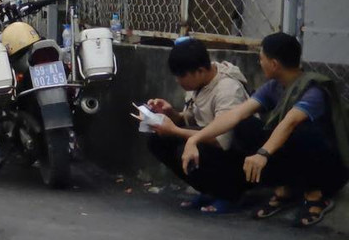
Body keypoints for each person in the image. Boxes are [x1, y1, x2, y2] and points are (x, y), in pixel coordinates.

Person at [163, 32, 349, 227]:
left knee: (301, 133)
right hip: (296, 156)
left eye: (261, 58)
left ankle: (316, 194)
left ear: (274, 64)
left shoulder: (313, 91)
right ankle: (285, 189)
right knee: (246, 126)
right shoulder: (273, 87)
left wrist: (263, 154)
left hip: (331, 168)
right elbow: (236, 114)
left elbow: (290, 123)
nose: (259, 62)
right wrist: (195, 139)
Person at [144, 38, 250, 214]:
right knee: (157, 140)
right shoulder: (200, 83)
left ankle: (229, 194)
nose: (178, 81)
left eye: (181, 76)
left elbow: (222, 139)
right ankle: (210, 190)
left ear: (200, 71)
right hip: (208, 142)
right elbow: (193, 119)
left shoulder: (228, 90)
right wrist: (172, 114)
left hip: (234, 154)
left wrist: (174, 130)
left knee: (188, 146)